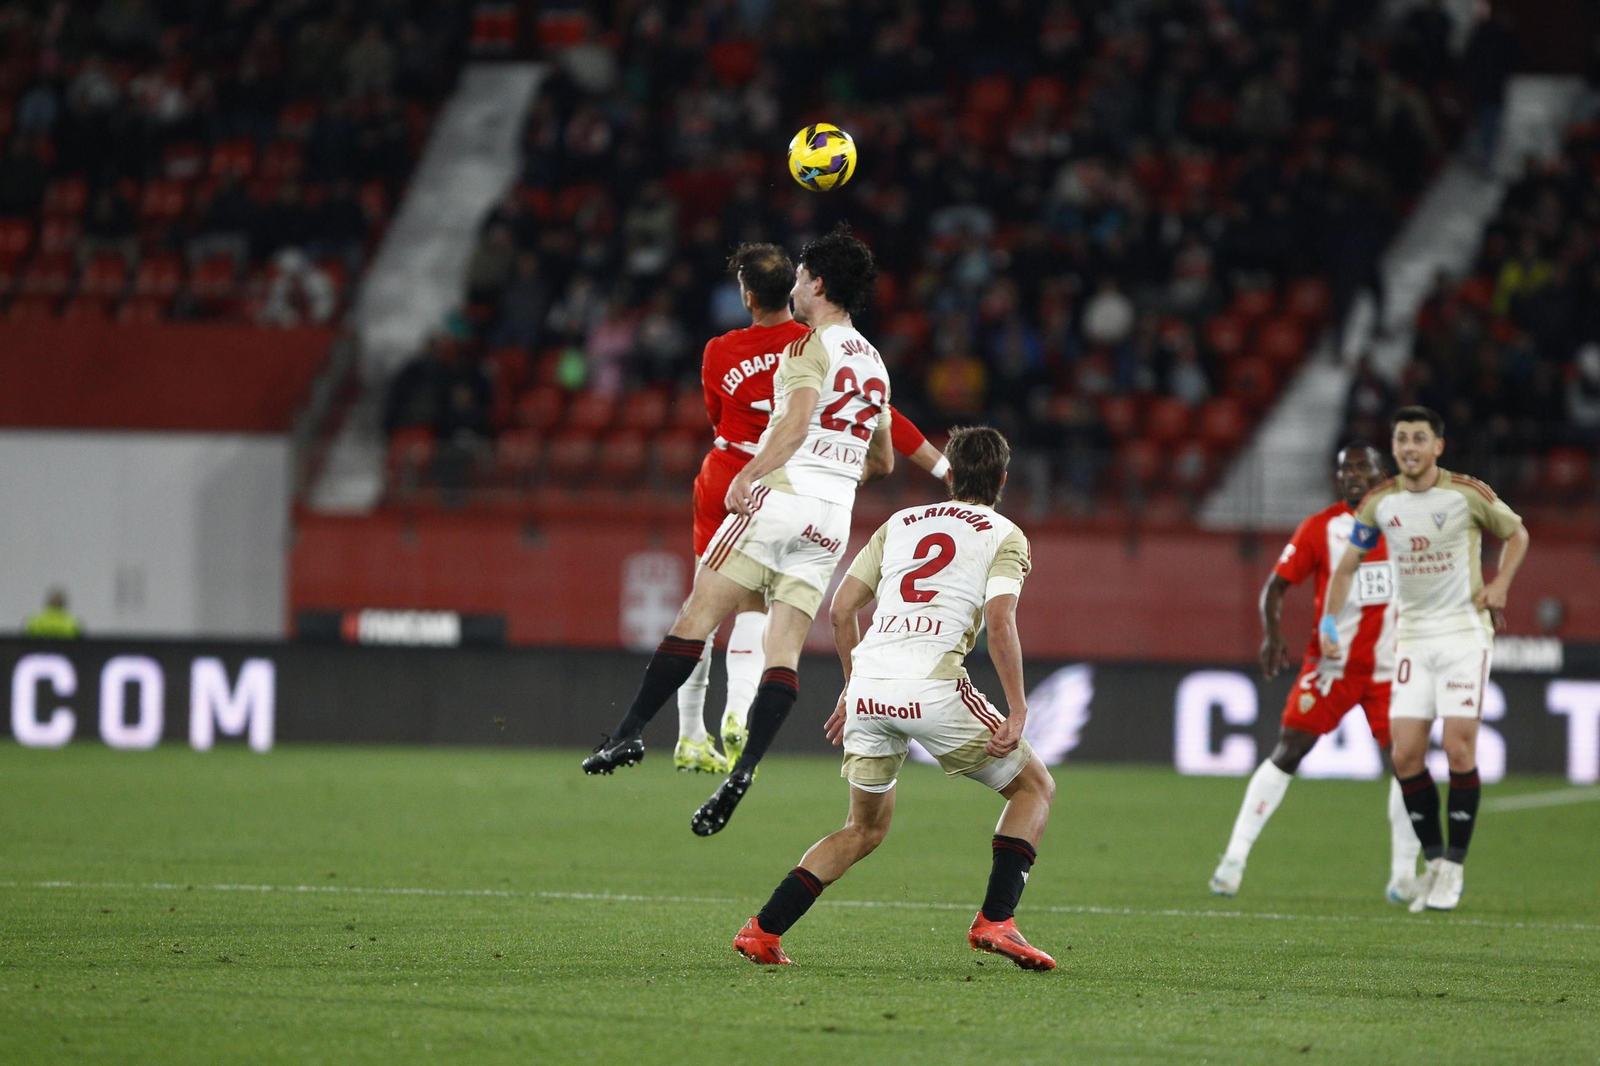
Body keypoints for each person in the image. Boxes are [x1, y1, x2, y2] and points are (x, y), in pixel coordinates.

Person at [582, 225, 894, 839]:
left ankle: (626, 735)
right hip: (833, 519)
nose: (796, 284)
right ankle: (745, 768)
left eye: (804, 275)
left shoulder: (810, 348)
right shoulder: (875, 362)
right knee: (785, 650)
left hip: (779, 499)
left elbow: (798, 423)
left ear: (819, 284)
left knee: (696, 617)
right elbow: (881, 461)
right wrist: (836, 472)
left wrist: (750, 473)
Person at [731, 426, 1057, 970]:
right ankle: (996, 921)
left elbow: (840, 610)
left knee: (863, 828)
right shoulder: (1007, 535)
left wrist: (850, 686)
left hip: (868, 689)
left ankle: (761, 931)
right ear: (1002, 479)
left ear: (949, 475)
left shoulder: (900, 522)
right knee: (1035, 789)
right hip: (932, 685)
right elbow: (999, 622)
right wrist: (1018, 707)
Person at [674, 242, 950, 775]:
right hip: (792, 481)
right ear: (792, 289)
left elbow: (713, 412)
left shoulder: (720, 350)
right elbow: (879, 412)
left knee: (701, 607)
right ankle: (737, 711)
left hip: (727, 474)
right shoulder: (818, 343)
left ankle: (689, 735)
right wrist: (942, 467)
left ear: (748, 295)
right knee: (757, 607)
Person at [1322, 406, 1530, 913]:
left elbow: (1518, 533)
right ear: (1393, 448)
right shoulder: (1379, 503)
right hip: (1413, 640)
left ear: (1438, 445)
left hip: (1463, 634)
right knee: (1405, 756)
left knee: (1459, 750)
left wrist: (1500, 584)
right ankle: (1434, 862)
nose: (1408, 447)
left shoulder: (1466, 494)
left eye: (1418, 438)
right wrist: (1329, 623)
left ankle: (1454, 869)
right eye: (1400, 439)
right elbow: (1347, 567)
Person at [1209, 443, 1420, 902]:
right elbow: (1276, 586)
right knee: (1289, 749)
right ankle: (1234, 859)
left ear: (1383, 475)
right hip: (1333, 665)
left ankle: (1404, 876)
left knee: (1407, 764)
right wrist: (1272, 633)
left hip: (1389, 669)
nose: (1352, 475)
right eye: (1345, 469)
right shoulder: (1320, 529)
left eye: (1362, 468)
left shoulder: (1407, 525)